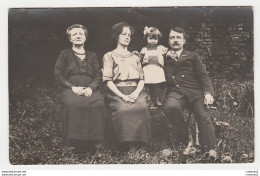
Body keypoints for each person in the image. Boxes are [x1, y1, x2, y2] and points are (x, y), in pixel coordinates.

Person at [164, 26, 216, 154]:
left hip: (195, 93)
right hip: (176, 93)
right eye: (172, 38)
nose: (175, 40)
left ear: (184, 41)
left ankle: (210, 150)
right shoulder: (163, 57)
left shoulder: (192, 56)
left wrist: (208, 93)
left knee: (203, 116)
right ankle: (185, 134)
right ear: (168, 41)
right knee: (170, 107)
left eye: (178, 37)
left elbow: (203, 76)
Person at [54, 24, 106, 149]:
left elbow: (98, 75)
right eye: (74, 34)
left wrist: (91, 88)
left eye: (81, 34)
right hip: (70, 88)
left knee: (98, 104)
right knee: (74, 103)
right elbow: (58, 74)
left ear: (85, 37)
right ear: (70, 39)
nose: (78, 36)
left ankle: (95, 140)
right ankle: (74, 141)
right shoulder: (64, 54)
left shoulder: (92, 56)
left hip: (90, 87)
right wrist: (72, 87)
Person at [102, 22, 151, 149]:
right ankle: (124, 144)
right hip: (117, 91)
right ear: (116, 36)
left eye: (129, 35)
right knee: (123, 109)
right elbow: (107, 80)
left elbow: (141, 78)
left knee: (141, 108)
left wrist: (135, 93)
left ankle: (141, 143)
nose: (127, 37)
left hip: (136, 90)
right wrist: (123, 96)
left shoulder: (135, 56)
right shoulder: (109, 56)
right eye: (123, 34)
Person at [140, 26, 168, 107]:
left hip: (157, 70)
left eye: (155, 39)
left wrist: (168, 53)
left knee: (157, 86)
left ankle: (158, 100)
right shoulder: (144, 49)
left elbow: (167, 53)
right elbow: (140, 57)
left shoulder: (161, 48)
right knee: (148, 87)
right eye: (150, 38)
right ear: (146, 38)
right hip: (148, 69)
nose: (153, 41)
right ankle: (149, 100)